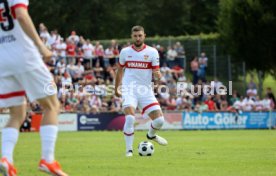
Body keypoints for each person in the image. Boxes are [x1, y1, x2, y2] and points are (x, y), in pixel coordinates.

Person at [0, 1, 68, 175]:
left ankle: (6, 159)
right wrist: (41, 46)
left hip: (2, 60)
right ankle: (48, 159)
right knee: (52, 105)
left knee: (17, 113)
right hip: (24, 56)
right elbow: (21, 15)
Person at [115, 26, 168, 157]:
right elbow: (119, 71)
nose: (138, 38)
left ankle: (151, 135)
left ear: (144, 36)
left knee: (160, 121)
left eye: (140, 35)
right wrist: (116, 88)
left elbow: (157, 74)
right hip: (129, 89)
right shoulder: (125, 52)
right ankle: (129, 151)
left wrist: (158, 77)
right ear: (132, 37)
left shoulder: (152, 52)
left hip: (146, 91)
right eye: (135, 36)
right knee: (130, 118)